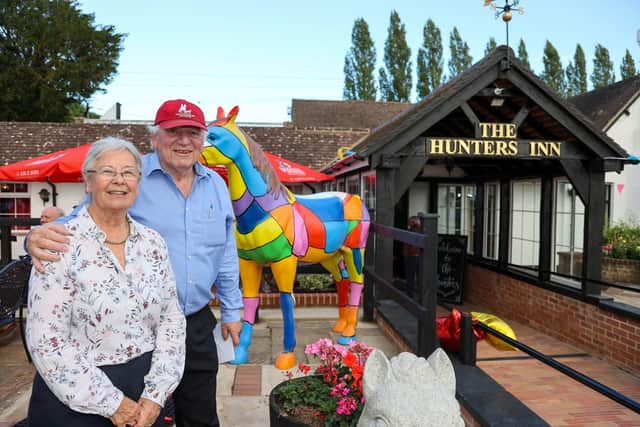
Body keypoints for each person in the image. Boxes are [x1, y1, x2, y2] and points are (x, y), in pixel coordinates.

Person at [27, 99, 244, 427]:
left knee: (200, 415)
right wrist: (38, 236)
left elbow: (226, 249)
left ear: (203, 139)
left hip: (195, 321)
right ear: (155, 138)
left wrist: (232, 310)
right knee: (142, 411)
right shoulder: (130, 171)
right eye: (174, 132)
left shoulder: (216, 184)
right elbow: (86, 214)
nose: (185, 141)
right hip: (137, 328)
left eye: (193, 133)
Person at [26, 137, 186, 427]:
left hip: (144, 393)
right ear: (88, 182)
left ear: (138, 182)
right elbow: (46, 342)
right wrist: (112, 403)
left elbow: (171, 320)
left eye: (128, 172)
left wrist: (156, 394)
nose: (119, 180)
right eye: (107, 171)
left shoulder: (153, 243)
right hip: (73, 399)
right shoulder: (58, 244)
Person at [402, 215, 422, 298]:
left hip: (412, 257)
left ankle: (410, 294)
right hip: (420, 257)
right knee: (419, 277)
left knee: (410, 276)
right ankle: (419, 295)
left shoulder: (409, 232)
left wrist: (405, 256)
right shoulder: (422, 232)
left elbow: (406, 248)